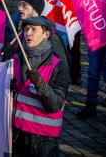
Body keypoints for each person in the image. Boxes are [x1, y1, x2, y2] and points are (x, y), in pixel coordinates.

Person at [11, 16, 69, 157]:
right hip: (16, 133)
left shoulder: (58, 64)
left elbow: (55, 104)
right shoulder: (16, 58)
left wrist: (40, 85)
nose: (28, 33)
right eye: (26, 29)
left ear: (46, 34)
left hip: (42, 139)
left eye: (33, 30)